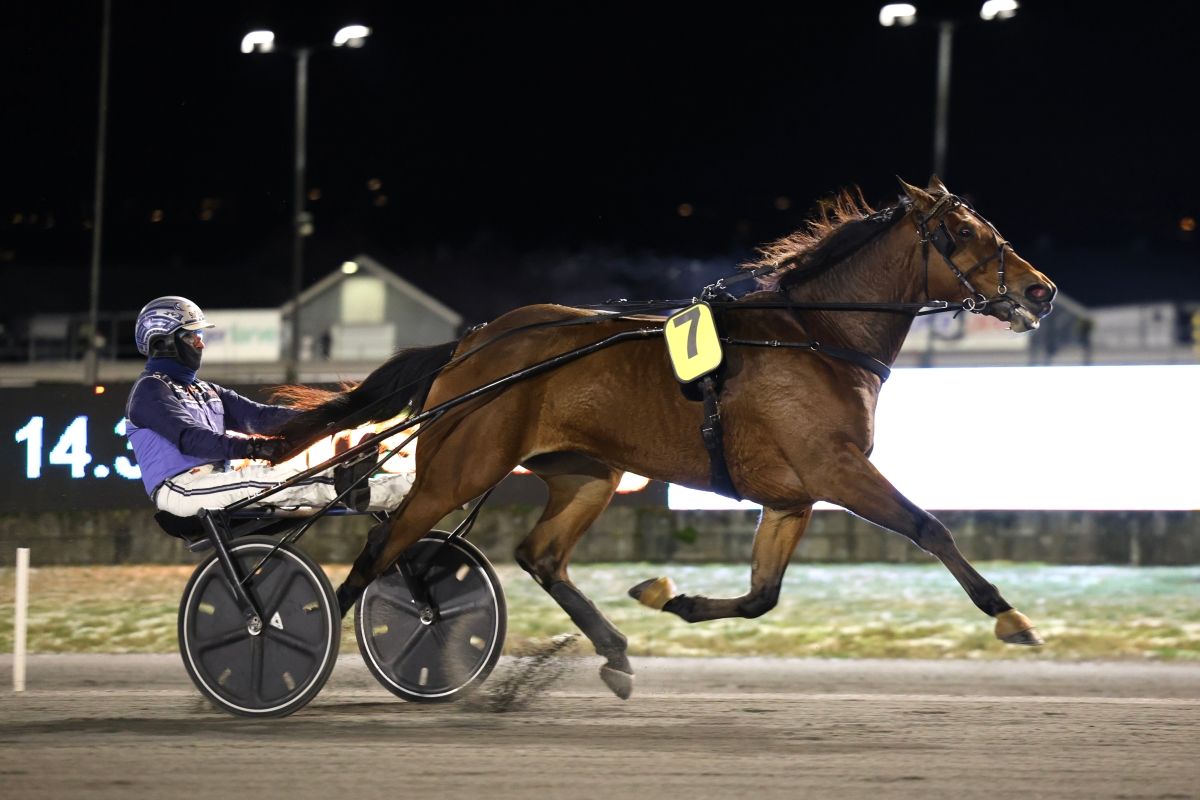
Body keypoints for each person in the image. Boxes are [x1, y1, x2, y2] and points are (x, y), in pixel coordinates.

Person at [124, 296, 412, 520]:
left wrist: (329, 420)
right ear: (162, 343)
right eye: (190, 336)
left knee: (309, 476)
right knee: (278, 480)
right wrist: (253, 449)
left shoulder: (206, 389)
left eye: (199, 335)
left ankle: (410, 487)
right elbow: (189, 438)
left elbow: (262, 418)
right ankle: (403, 493)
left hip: (214, 481)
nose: (200, 343)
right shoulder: (150, 390)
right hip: (180, 489)